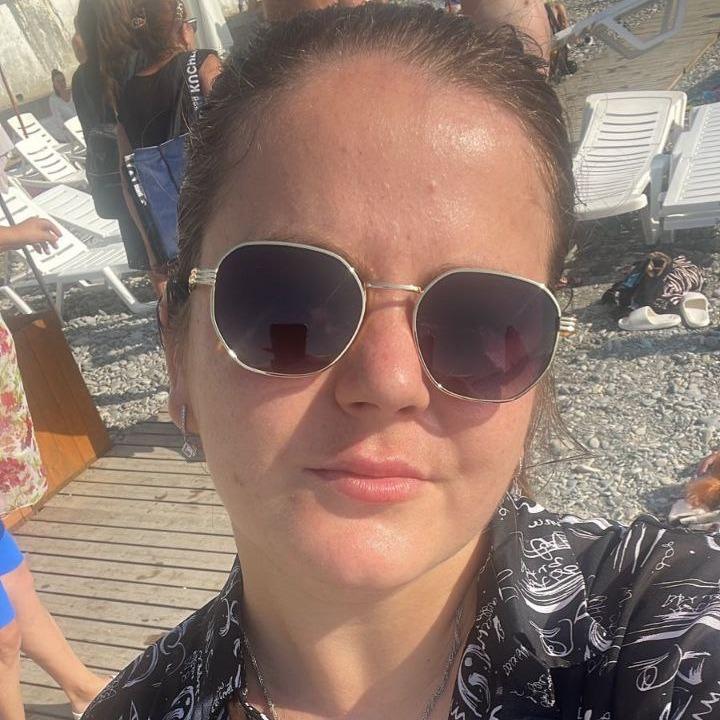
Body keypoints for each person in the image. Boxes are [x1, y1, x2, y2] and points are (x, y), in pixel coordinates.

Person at [83, 6, 720, 720]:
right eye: (289, 303)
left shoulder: (669, 631)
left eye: (479, 320)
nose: (389, 382)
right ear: (178, 354)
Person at [115, 0, 222, 296]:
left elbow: (128, 179)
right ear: (183, 28)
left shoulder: (126, 96)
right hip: (223, 214)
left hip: (176, 238)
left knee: (205, 304)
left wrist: (153, 251)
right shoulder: (203, 65)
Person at [72, 0, 151, 272]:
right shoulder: (139, 60)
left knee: (155, 272)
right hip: (153, 180)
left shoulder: (81, 78)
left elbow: (89, 132)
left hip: (118, 185)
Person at [48, 70, 77, 143]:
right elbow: (58, 118)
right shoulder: (53, 100)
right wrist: (67, 128)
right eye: (58, 81)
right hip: (68, 128)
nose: (61, 83)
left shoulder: (73, 92)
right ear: (54, 83)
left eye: (63, 80)